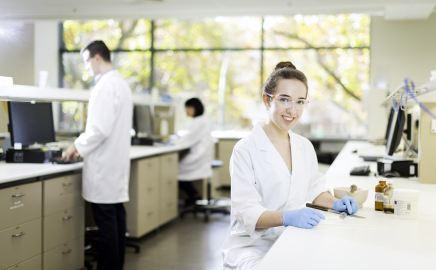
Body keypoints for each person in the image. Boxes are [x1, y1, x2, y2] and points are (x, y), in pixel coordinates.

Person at [222, 61, 358, 270]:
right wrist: (287, 217)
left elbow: (315, 189)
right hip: (253, 246)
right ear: (267, 100)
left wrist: (335, 203)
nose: (292, 110)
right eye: (285, 100)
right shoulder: (245, 149)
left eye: (300, 102)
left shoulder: (303, 146)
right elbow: (246, 212)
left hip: (293, 237)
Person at [64, 40, 133, 270]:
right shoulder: (121, 83)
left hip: (105, 166)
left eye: (86, 62)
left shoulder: (105, 86)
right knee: (116, 219)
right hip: (115, 164)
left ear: (96, 58)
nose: (86, 68)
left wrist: (76, 146)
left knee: (106, 226)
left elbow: (99, 129)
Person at [176, 98, 214, 206]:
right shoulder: (202, 120)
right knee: (176, 170)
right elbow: (190, 137)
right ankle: (194, 194)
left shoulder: (199, 122)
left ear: (193, 108)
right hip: (202, 156)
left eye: (187, 108)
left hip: (198, 157)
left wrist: (174, 142)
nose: (186, 111)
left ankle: (193, 195)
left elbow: (187, 140)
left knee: (173, 171)